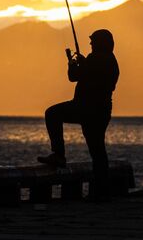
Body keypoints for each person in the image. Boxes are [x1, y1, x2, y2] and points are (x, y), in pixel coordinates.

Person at [37, 29, 119, 200]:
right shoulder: (110, 60)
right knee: (97, 151)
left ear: (100, 42)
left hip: (85, 108)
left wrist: (73, 65)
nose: (90, 44)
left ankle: (59, 155)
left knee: (52, 114)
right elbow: (84, 74)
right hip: (101, 111)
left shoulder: (96, 59)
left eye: (93, 41)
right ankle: (102, 191)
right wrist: (81, 63)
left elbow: (74, 76)